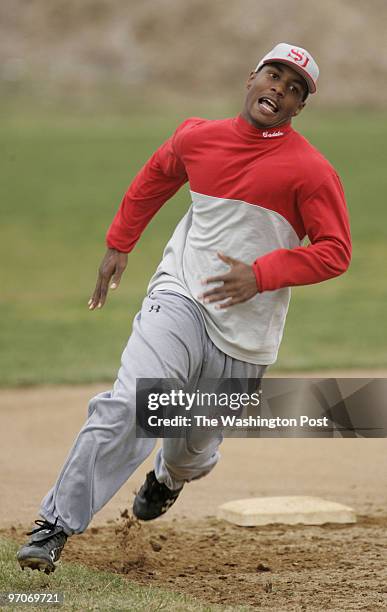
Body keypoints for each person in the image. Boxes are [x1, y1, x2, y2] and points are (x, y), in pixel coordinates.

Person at [17, 43, 351, 573]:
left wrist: (261, 274)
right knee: (132, 404)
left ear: (298, 108)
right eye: (274, 76)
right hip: (181, 297)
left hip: (245, 338)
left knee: (190, 451)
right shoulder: (199, 136)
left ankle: (168, 477)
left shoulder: (310, 171)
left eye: (294, 89)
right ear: (252, 77)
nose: (279, 90)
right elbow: (158, 174)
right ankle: (53, 526)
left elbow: (336, 251)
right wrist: (118, 243)